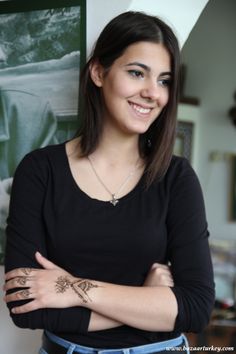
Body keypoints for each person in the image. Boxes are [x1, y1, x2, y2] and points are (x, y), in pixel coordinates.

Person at [3, 11, 215, 354]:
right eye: (136, 73)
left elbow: (194, 308)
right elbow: (26, 306)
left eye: (164, 80)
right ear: (99, 72)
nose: (152, 93)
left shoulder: (176, 178)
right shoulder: (39, 171)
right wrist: (148, 301)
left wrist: (72, 287)